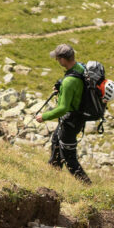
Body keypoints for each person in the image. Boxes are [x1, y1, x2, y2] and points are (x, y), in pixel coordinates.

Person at [36, 43, 92, 184]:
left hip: (71, 121)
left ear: (63, 59)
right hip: (75, 118)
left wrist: (44, 116)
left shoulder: (69, 82)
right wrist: (60, 89)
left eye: (57, 58)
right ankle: (52, 175)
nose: (56, 60)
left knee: (69, 158)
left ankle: (88, 186)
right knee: (56, 141)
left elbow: (63, 108)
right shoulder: (80, 67)